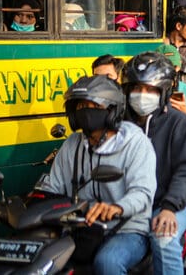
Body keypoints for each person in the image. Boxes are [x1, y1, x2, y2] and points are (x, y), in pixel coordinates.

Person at [41, 75, 156, 274]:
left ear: (112, 111)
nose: (86, 112)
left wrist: (117, 207)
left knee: (108, 262)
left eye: (94, 106)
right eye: (80, 106)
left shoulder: (136, 143)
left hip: (127, 228)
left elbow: (143, 193)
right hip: (82, 228)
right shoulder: (72, 145)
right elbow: (53, 187)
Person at [122, 52, 186, 275]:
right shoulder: (121, 124)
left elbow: (185, 173)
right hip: (134, 203)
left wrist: (168, 208)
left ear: (163, 91)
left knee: (163, 236)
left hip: (176, 203)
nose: (141, 95)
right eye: (136, 88)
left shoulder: (178, 122)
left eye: (150, 90)